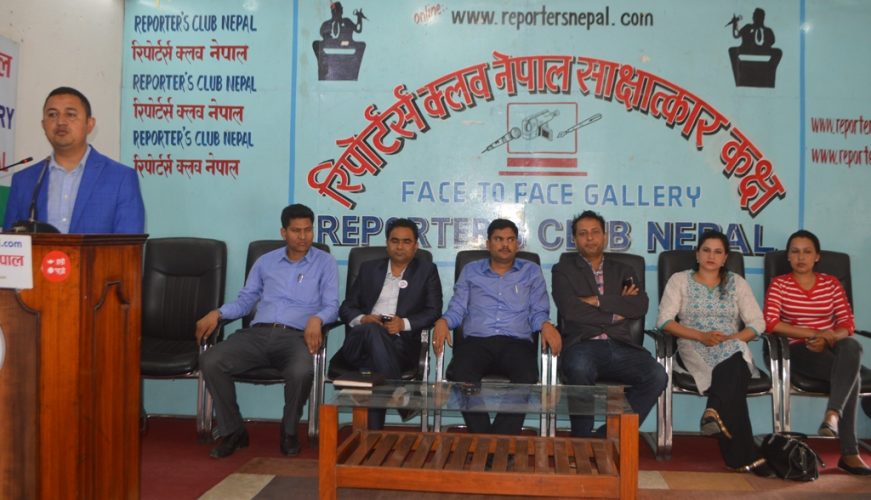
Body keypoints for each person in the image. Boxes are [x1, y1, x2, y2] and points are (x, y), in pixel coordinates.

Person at [195, 204, 339, 458]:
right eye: (296, 231)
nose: (303, 236)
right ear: (284, 232)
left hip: (296, 337)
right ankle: (233, 431)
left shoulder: (324, 262)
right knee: (211, 360)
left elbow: (332, 305)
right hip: (257, 335)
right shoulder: (265, 262)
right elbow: (245, 302)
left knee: (301, 370)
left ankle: (289, 430)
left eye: (308, 230)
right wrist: (218, 313)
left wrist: (318, 319)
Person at [656, 230, 772, 476]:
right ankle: (736, 444)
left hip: (732, 343)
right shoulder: (679, 280)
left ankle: (716, 415)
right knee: (736, 373)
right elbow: (664, 321)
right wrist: (700, 336)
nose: (711, 256)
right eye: (706, 250)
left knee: (736, 354)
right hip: (693, 344)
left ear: (725, 258)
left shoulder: (737, 283)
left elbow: (758, 322)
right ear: (697, 254)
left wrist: (733, 338)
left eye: (718, 252)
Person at [432, 218, 561, 435]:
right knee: (462, 373)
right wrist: (443, 321)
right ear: (488, 243)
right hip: (477, 342)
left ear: (517, 244)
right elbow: (458, 308)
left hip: (516, 343)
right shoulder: (471, 270)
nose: (505, 244)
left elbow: (538, 311)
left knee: (526, 375)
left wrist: (546, 325)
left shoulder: (531, 271)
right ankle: (484, 437)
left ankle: (499, 438)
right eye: (499, 239)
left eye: (510, 239)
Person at [764, 230, 871, 475]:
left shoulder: (831, 284)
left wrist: (829, 337)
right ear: (788, 257)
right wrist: (813, 334)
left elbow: (847, 324)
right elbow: (771, 323)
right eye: (795, 252)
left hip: (833, 345)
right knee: (851, 374)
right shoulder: (780, 284)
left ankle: (833, 413)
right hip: (798, 349)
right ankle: (850, 453)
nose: (801, 257)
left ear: (817, 257)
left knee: (852, 346)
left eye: (807, 252)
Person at [551, 211, 666, 437]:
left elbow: (639, 305)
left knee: (657, 376)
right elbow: (570, 309)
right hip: (582, 344)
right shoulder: (563, 269)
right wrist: (616, 313)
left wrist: (597, 301)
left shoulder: (624, 270)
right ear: (575, 239)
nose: (590, 238)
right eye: (583, 233)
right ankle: (582, 439)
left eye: (595, 232)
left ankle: (609, 435)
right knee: (579, 369)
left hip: (621, 345)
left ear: (604, 236)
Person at [336, 218, 442, 429]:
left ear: (415, 246)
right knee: (372, 330)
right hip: (358, 343)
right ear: (387, 244)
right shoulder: (368, 269)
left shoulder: (426, 271)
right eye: (395, 241)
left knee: (374, 369)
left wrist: (403, 324)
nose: (400, 246)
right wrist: (363, 318)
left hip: (400, 347)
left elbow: (433, 311)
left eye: (406, 241)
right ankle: (400, 396)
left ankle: (372, 437)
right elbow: (346, 308)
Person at [3, 86, 144, 233]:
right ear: (43, 125)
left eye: (70, 114)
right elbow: (10, 243)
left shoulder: (121, 178)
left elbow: (130, 243)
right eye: (52, 115)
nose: (60, 122)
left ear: (90, 124)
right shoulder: (24, 181)